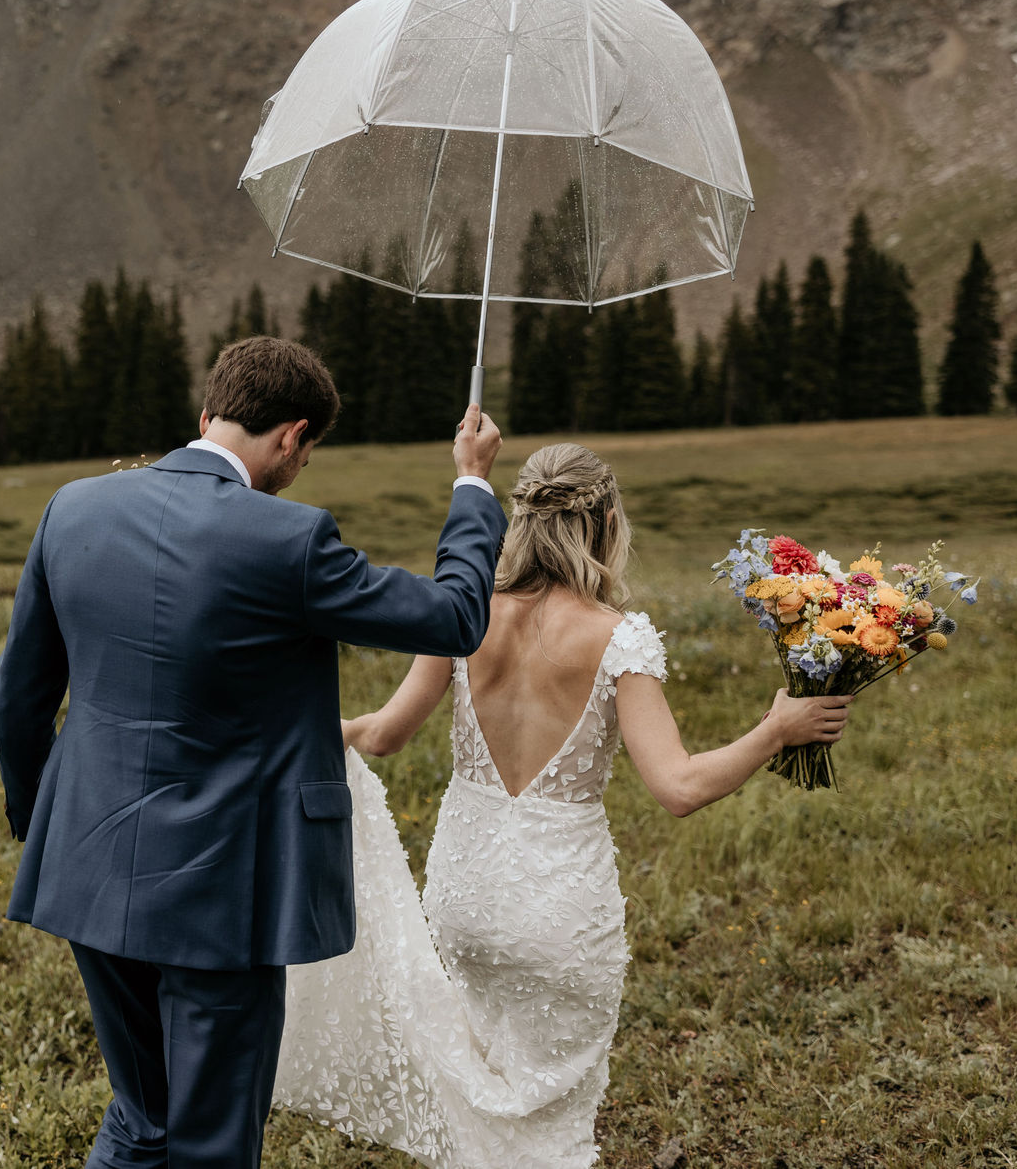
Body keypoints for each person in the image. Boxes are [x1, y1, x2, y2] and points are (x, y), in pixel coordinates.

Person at [0, 336, 507, 1169]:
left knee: (144, 1114)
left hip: (87, 869)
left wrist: (45, 822)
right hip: (221, 893)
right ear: (294, 437)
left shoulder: (72, 509)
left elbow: (16, 703)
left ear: (206, 414)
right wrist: (473, 483)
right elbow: (451, 619)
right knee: (211, 1139)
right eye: (307, 452)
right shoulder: (289, 541)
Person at [274, 442, 853, 1168]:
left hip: (464, 894)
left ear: (519, 520)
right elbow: (678, 788)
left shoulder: (467, 610)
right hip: (558, 909)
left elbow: (384, 734)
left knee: (487, 1079)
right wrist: (778, 729)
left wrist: (294, 736)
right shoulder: (619, 638)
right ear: (607, 520)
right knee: (552, 1114)